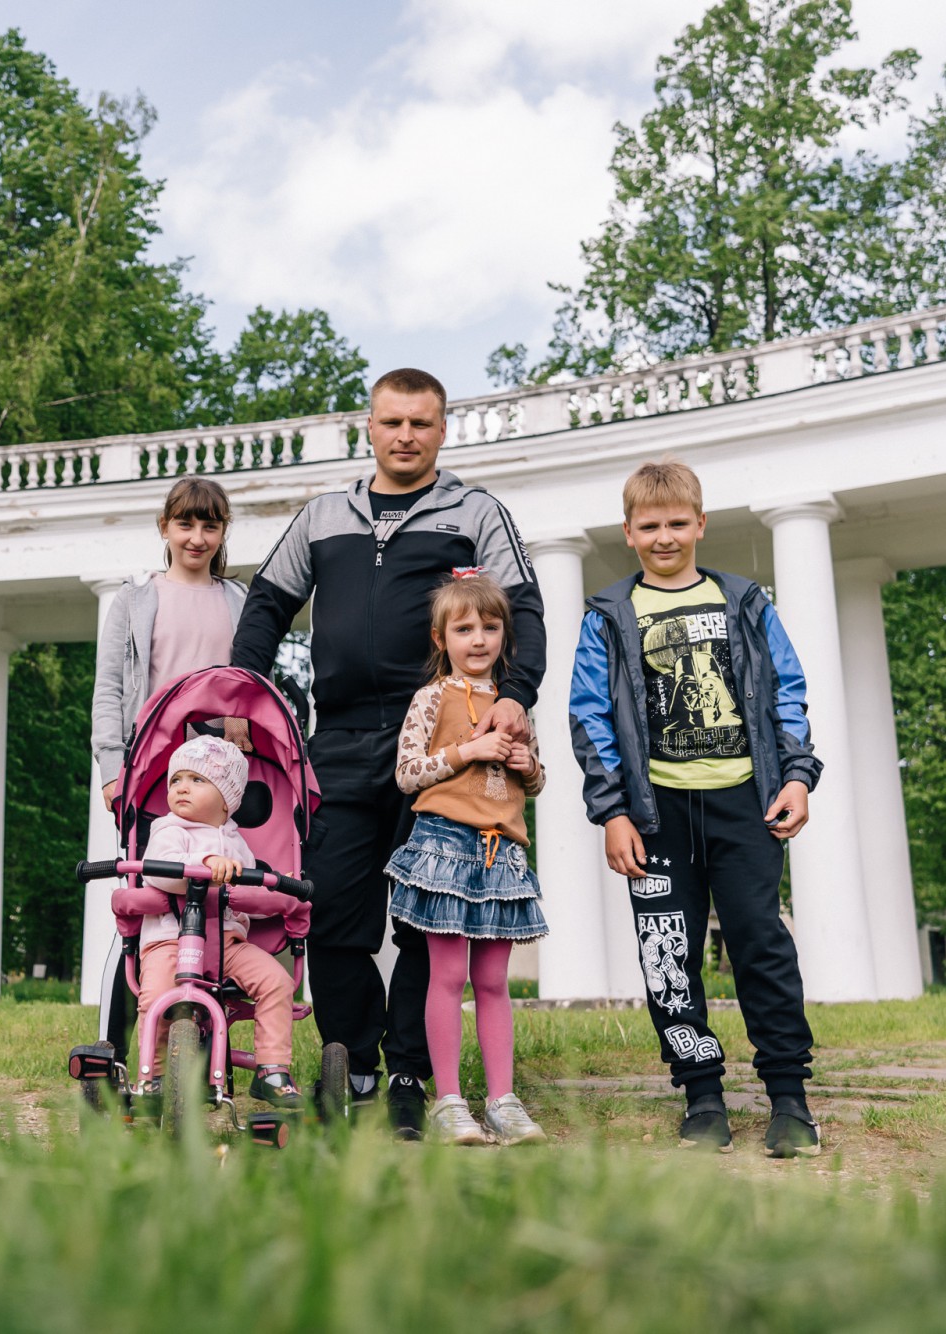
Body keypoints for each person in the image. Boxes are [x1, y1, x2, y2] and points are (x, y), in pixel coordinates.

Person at [230, 368, 545, 1139]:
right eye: (392, 422)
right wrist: (241, 696)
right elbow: (268, 602)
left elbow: (524, 607)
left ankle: (410, 1072)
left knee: (423, 920)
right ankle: (352, 1059)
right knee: (334, 911)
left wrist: (516, 693)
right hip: (335, 740)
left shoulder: (475, 512)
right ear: (367, 428)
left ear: (443, 431)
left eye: (422, 423)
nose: (406, 435)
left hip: (441, 745)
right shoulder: (321, 516)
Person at [568, 458, 825, 1158]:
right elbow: (589, 716)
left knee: (761, 945)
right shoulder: (609, 617)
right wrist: (613, 812)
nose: (664, 536)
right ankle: (702, 1094)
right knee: (668, 956)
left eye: (677, 523)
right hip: (656, 816)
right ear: (628, 532)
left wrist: (797, 777)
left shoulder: (744, 601)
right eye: (649, 526)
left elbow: (787, 692)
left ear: (701, 524)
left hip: (744, 801)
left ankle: (789, 1100)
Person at [386, 572, 549, 1146]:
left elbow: (537, 782)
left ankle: (502, 1100)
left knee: (493, 981)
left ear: (504, 634)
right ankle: (449, 1100)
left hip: (502, 853)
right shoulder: (432, 698)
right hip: (445, 846)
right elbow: (407, 773)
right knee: (448, 975)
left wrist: (528, 766)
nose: (478, 639)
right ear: (441, 639)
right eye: (464, 629)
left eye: (490, 626)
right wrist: (469, 750)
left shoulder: (514, 706)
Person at [134, 735, 302, 1110]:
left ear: (228, 799)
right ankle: (155, 1076)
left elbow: (253, 901)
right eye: (176, 779)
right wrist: (207, 865)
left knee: (277, 981)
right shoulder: (168, 830)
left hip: (226, 943)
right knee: (156, 996)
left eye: (197, 780)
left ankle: (272, 1069)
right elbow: (160, 872)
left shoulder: (237, 843)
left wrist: (277, 890)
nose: (181, 788)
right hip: (171, 940)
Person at [91, 476, 247, 808]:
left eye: (210, 526)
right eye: (185, 524)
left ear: (223, 531)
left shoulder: (240, 600)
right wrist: (111, 769)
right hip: (153, 768)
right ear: (165, 527)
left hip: (224, 777)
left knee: (223, 860)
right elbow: (108, 686)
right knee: (157, 859)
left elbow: (256, 685)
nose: (197, 538)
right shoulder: (135, 598)